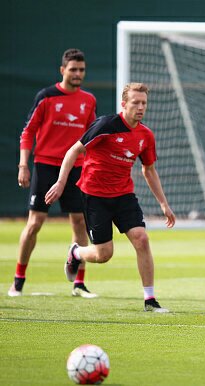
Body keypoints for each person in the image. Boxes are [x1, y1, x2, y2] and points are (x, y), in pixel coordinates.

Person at [45, 82, 176, 312]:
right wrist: (60, 182)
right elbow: (73, 151)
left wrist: (164, 204)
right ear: (124, 104)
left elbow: (149, 170)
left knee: (142, 240)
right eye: (136, 102)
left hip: (124, 195)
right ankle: (76, 252)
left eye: (144, 103)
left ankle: (150, 300)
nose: (140, 107)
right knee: (103, 254)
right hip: (95, 196)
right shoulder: (106, 125)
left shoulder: (145, 135)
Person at [10, 48, 98, 298]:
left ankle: (79, 283)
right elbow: (28, 132)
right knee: (35, 222)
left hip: (77, 168)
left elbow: (90, 137)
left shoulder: (89, 100)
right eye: (73, 69)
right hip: (46, 165)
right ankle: (18, 280)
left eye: (81, 70)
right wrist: (23, 165)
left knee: (79, 222)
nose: (78, 73)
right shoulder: (46, 96)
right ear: (62, 70)